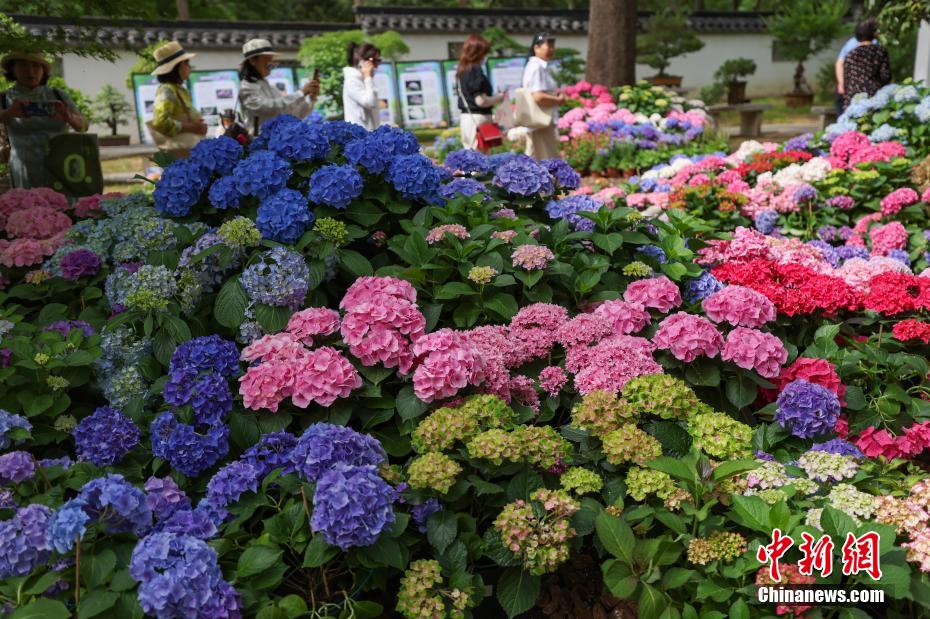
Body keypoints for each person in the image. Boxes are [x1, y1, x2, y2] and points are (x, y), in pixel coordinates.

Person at [0, 52, 87, 189]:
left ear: (43, 70)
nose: (30, 71)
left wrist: (68, 116)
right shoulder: (4, 98)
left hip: (60, 164)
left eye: (36, 66)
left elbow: (83, 126)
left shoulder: (58, 95)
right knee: (29, 206)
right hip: (23, 168)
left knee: (65, 208)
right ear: (12, 69)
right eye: (23, 66)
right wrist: (8, 113)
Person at [238, 38, 320, 134]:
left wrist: (311, 97)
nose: (271, 65)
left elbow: (294, 114)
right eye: (267, 62)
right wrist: (301, 93)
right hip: (259, 142)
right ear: (253, 61)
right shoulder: (246, 87)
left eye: (272, 62)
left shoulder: (271, 88)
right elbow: (268, 107)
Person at [149, 41, 206, 157]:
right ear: (177, 67)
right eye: (186, 63)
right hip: (179, 152)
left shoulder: (178, 89)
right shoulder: (167, 90)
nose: (189, 67)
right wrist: (192, 127)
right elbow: (160, 122)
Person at [456, 35, 505, 150]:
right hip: (478, 119)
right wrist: (499, 97)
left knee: (471, 159)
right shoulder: (475, 69)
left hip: (467, 119)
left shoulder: (463, 69)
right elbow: (481, 101)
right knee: (480, 161)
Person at [521, 32, 564, 161]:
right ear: (536, 48)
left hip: (540, 122)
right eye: (548, 45)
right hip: (541, 122)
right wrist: (558, 100)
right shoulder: (537, 67)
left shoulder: (539, 66)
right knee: (545, 160)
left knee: (539, 159)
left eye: (553, 46)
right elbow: (538, 96)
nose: (551, 49)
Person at [842, 19, 891, 110]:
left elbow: (847, 81)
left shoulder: (850, 55)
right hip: (874, 96)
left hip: (853, 99)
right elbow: (886, 76)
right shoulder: (880, 51)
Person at [834, 19, 878, 116]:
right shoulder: (876, 46)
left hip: (850, 88)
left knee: (844, 115)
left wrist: (841, 84)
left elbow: (839, 64)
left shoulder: (851, 43)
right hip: (869, 89)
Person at [343, 42, 381, 130]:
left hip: (370, 136)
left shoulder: (364, 79)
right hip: (359, 139)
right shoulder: (352, 81)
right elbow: (369, 102)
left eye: (378, 61)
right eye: (373, 61)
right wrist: (368, 77)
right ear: (361, 62)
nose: (376, 66)